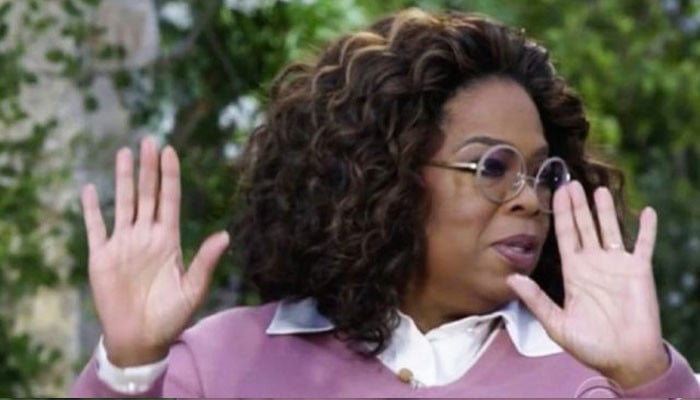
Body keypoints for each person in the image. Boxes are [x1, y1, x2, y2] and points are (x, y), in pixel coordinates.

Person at [71, 7, 700, 397]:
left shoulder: (602, 375)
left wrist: (647, 380)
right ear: (386, 177)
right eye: (493, 167)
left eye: (542, 174)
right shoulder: (221, 365)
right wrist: (129, 369)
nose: (530, 199)